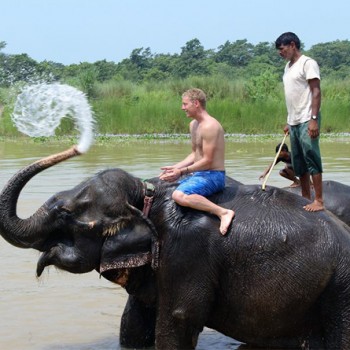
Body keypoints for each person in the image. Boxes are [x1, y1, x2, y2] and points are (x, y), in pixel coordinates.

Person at [159, 88, 235, 235]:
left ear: (196, 103)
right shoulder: (193, 125)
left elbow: (207, 160)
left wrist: (181, 172)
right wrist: (174, 168)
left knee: (178, 195)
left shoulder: (210, 126)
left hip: (213, 175)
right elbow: (195, 154)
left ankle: (223, 212)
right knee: (161, 179)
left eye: (185, 104)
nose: (182, 108)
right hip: (198, 173)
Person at [275, 32, 324, 212]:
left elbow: (316, 92)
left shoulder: (307, 63)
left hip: (307, 118)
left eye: (282, 49)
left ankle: (318, 200)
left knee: (311, 156)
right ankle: (305, 197)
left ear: (292, 45)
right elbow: (293, 96)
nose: (280, 53)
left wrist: (313, 119)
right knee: (299, 162)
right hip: (294, 121)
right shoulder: (288, 67)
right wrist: (290, 121)